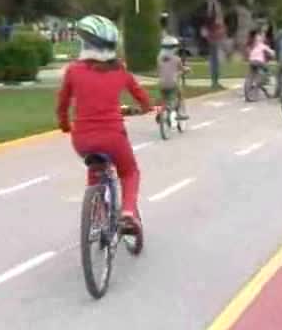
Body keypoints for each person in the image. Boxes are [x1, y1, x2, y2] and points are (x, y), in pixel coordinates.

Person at [57, 15, 151, 235]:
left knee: (95, 169)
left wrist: (64, 125)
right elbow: (141, 96)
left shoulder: (73, 71)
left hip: (82, 139)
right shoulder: (120, 70)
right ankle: (127, 212)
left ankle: (99, 216)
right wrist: (146, 108)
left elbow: (62, 105)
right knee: (129, 172)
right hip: (113, 137)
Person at [156, 35, 190, 123]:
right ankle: (179, 114)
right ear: (175, 48)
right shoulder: (177, 59)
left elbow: (160, 70)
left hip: (162, 83)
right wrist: (187, 69)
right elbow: (182, 69)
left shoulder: (159, 58)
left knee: (164, 98)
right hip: (173, 83)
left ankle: (162, 110)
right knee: (179, 94)